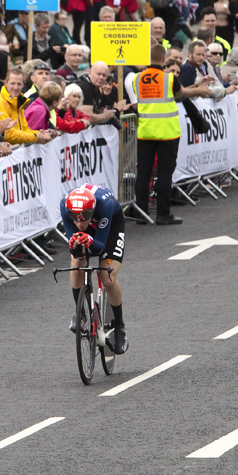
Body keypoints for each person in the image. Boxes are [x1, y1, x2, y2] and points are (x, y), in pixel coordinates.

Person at [133, 44, 210, 224]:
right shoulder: (169, 79)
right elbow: (178, 96)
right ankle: (163, 214)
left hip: (145, 131)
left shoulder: (137, 78)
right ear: (163, 59)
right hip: (167, 132)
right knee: (166, 174)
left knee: (143, 173)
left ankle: (141, 215)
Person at [62, 184, 127, 353]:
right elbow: (74, 245)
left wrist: (89, 241)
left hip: (111, 227)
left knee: (107, 277)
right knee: (77, 263)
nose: (79, 222)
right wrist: (75, 245)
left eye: (84, 218)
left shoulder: (106, 206)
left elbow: (100, 248)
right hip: (93, 225)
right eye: (75, 218)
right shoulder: (65, 205)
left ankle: (119, 326)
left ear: (91, 211)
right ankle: (81, 312)